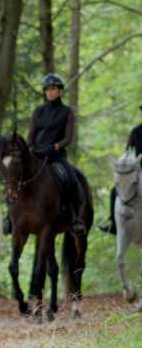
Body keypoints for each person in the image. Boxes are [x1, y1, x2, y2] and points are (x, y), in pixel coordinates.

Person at [21, 73, 86, 235]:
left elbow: (68, 138)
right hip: (37, 155)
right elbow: (31, 135)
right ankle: (11, 216)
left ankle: (74, 218)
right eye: (48, 89)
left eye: (54, 89)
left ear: (60, 91)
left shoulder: (67, 112)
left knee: (72, 180)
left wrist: (55, 147)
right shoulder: (38, 111)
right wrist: (29, 148)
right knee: (16, 177)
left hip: (56, 156)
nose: (50, 92)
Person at [99, 102, 142, 235]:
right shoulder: (136, 131)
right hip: (138, 170)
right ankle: (114, 224)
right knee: (114, 191)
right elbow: (127, 152)